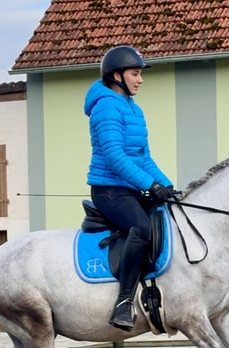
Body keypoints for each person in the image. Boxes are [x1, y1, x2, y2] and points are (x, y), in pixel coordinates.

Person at [84, 45, 177, 331]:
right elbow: (115, 157)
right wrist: (150, 185)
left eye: (140, 74)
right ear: (116, 75)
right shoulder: (106, 106)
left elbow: (143, 157)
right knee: (143, 228)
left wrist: (167, 186)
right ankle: (123, 302)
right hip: (109, 190)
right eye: (135, 73)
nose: (140, 79)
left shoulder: (132, 108)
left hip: (131, 187)